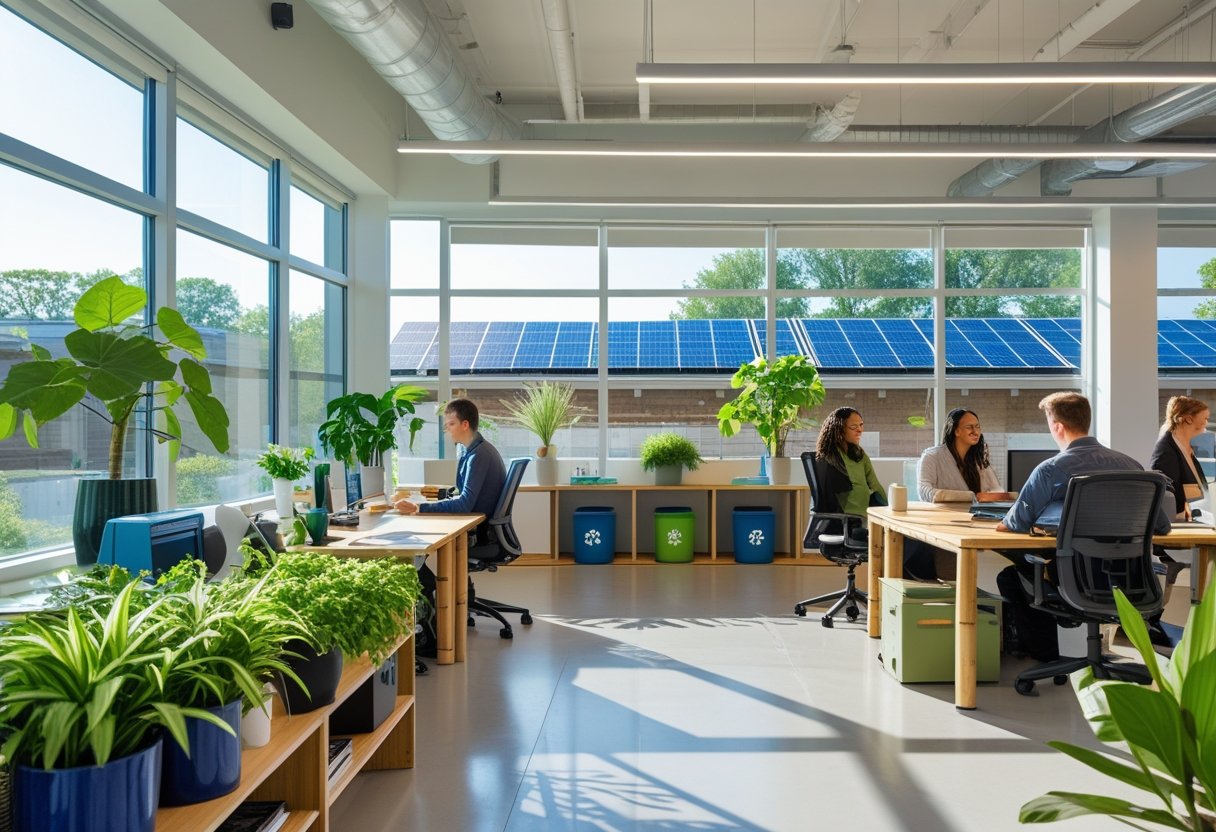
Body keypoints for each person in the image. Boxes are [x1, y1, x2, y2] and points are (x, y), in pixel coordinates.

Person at [995, 392, 1172, 660]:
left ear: (1057, 426)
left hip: (1076, 583)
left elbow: (1016, 524)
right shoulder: (1133, 467)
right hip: (1130, 582)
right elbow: (1162, 527)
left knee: (1013, 574)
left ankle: (1045, 657)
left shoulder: (1050, 469)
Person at [910, 408, 1006, 579]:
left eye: (977, 426)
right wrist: (971, 496)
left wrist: (998, 497)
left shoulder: (978, 459)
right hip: (944, 528)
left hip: (976, 524)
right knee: (951, 579)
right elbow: (925, 492)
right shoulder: (933, 456)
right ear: (956, 430)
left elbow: (997, 491)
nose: (975, 431)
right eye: (969, 427)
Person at [394, 398, 505, 517]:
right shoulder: (469, 450)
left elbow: (464, 505)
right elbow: (463, 495)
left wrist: (418, 507)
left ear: (465, 425)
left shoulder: (479, 455)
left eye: (451, 424)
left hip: (478, 524)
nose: (447, 429)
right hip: (474, 518)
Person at [813, 407, 886, 537]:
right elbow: (832, 500)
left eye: (861, 425)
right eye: (853, 427)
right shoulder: (829, 458)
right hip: (847, 523)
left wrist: (888, 512)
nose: (860, 430)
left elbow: (875, 485)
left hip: (864, 519)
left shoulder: (859, 454)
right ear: (839, 430)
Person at [1150, 395, 1210, 521]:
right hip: (1179, 522)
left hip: (1195, 518)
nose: (1206, 423)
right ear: (1188, 419)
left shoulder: (1187, 447)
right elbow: (1169, 493)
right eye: (1204, 418)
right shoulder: (1165, 450)